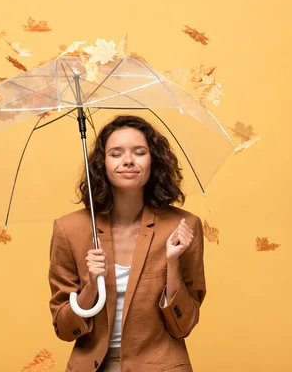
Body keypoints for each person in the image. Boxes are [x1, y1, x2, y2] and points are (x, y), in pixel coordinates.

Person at [48, 115, 206, 372]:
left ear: (154, 160)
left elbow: (184, 325)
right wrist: (90, 285)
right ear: (102, 164)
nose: (128, 160)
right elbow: (64, 329)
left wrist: (173, 262)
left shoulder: (183, 226)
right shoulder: (69, 230)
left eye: (139, 152)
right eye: (116, 153)